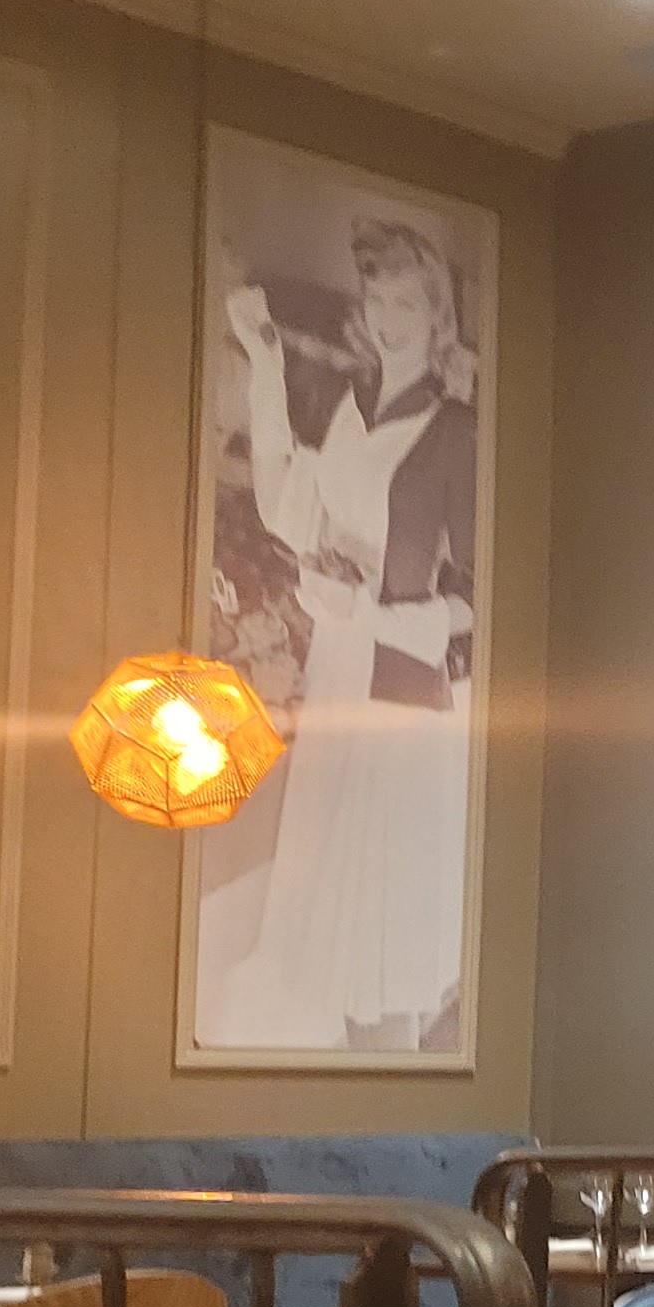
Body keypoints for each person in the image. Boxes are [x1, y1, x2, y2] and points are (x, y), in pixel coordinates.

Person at [214, 212, 478, 1049]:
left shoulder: (456, 431)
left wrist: (371, 611)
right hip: (337, 670)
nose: (389, 317)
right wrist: (265, 362)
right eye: (378, 297)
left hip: (401, 693)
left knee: (387, 939)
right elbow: (289, 509)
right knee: (328, 923)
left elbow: (479, 600)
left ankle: (403, 1070)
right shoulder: (351, 411)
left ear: (438, 318)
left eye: (407, 301)